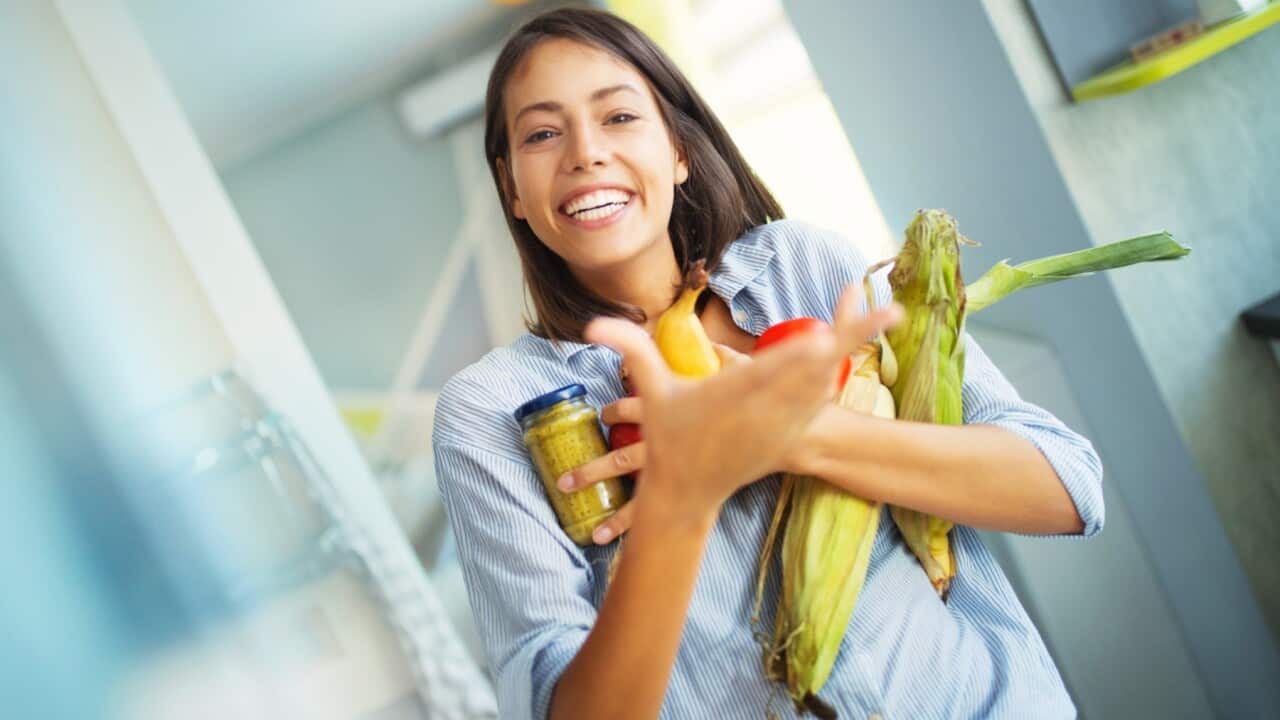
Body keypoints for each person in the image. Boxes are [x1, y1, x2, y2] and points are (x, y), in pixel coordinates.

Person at [432, 7, 1103, 719]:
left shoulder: (804, 268)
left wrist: (795, 436)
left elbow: (1067, 490)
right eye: (541, 133)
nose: (585, 153)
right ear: (511, 189)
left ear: (680, 150)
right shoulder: (495, 412)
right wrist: (680, 500)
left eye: (620, 118)